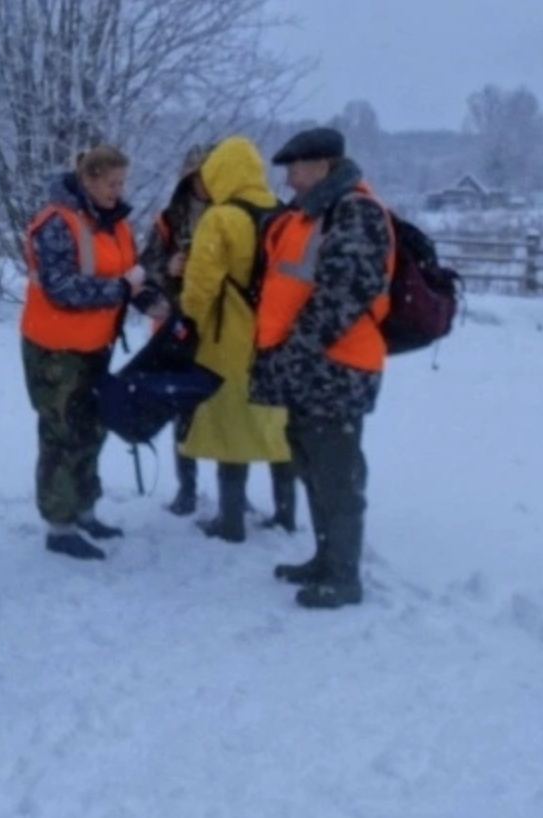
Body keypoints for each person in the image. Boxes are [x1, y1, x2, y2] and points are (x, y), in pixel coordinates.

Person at [251, 126, 395, 609]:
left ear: (323, 167)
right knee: (313, 467)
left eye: (295, 167)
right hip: (310, 367)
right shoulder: (311, 215)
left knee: (336, 473)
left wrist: (294, 352)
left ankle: (344, 576)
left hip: (337, 367)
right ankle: (325, 558)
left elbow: (342, 296)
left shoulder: (355, 212)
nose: (288, 179)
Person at [21, 145, 165, 561]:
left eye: (122, 183)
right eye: (110, 183)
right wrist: (121, 290)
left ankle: (85, 509)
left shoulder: (115, 224)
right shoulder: (55, 223)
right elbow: (62, 288)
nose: (117, 191)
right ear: (87, 179)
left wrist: (149, 302)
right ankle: (59, 525)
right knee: (61, 433)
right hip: (54, 351)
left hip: (94, 346)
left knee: (92, 428)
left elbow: (127, 278)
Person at [176, 135, 291, 544]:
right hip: (278, 336)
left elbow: (199, 286)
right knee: (278, 425)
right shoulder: (285, 214)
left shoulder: (221, 218)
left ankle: (230, 521)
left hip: (230, 338)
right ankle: (286, 513)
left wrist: (188, 327)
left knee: (232, 428)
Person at [140, 143, 213, 515]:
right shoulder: (169, 220)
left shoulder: (238, 216)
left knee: (227, 410)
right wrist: (168, 267)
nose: (205, 182)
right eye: (198, 175)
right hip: (178, 328)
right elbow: (144, 270)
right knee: (184, 411)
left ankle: (235, 489)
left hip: (222, 327)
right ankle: (188, 487)